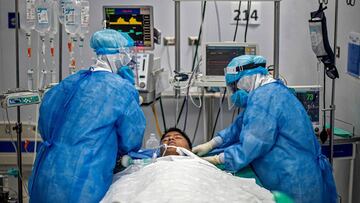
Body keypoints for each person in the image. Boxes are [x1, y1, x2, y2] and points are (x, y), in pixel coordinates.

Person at [192, 55, 337, 203]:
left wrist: (217, 159)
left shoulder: (265, 99)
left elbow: (251, 146)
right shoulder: (271, 91)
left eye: (235, 87)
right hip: (298, 173)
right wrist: (213, 143)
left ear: (247, 79)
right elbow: (240, 125)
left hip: (293, 181)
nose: (234, 93)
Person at [28, 29, 146, 203]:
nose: (130, 61)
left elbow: (45, 126)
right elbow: (131, 139)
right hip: (83, 178)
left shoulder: (67, 83)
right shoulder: (121, 89)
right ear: (118, 55)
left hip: (46, 172)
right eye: (128, 55)